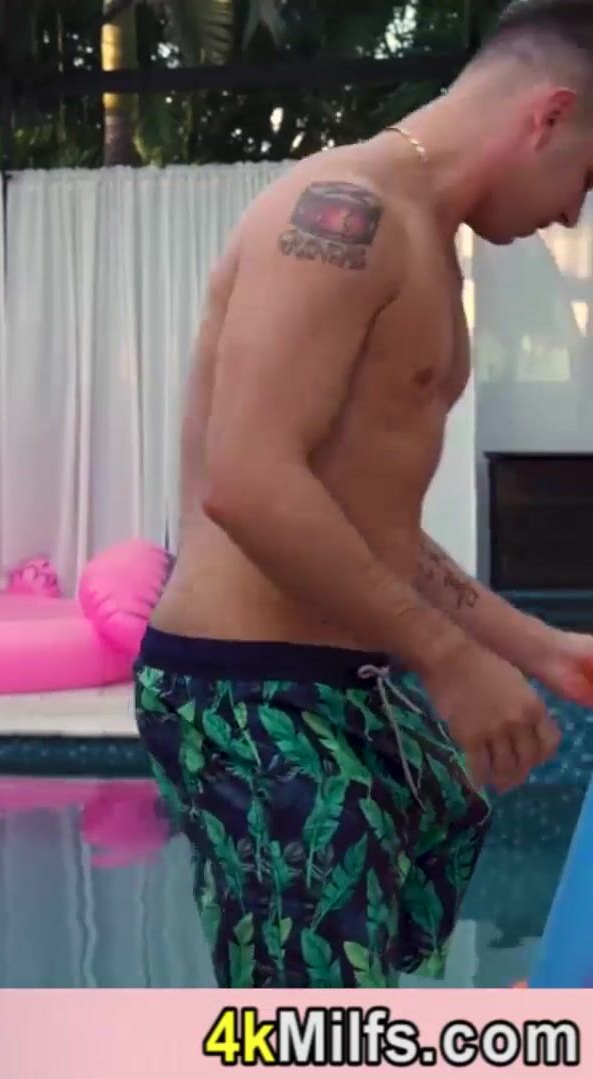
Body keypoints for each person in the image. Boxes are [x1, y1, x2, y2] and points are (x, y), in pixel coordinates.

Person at [138, 0, 593, 990]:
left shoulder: (424, 237)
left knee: (440, 843)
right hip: (249, 687)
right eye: (586, 180)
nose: (570, 215)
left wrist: (540, 649)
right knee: (312, 1024)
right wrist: (451, 659)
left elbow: (367, 526)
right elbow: (247, 484)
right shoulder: (342, 212)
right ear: (550, 115)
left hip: (340, 683)